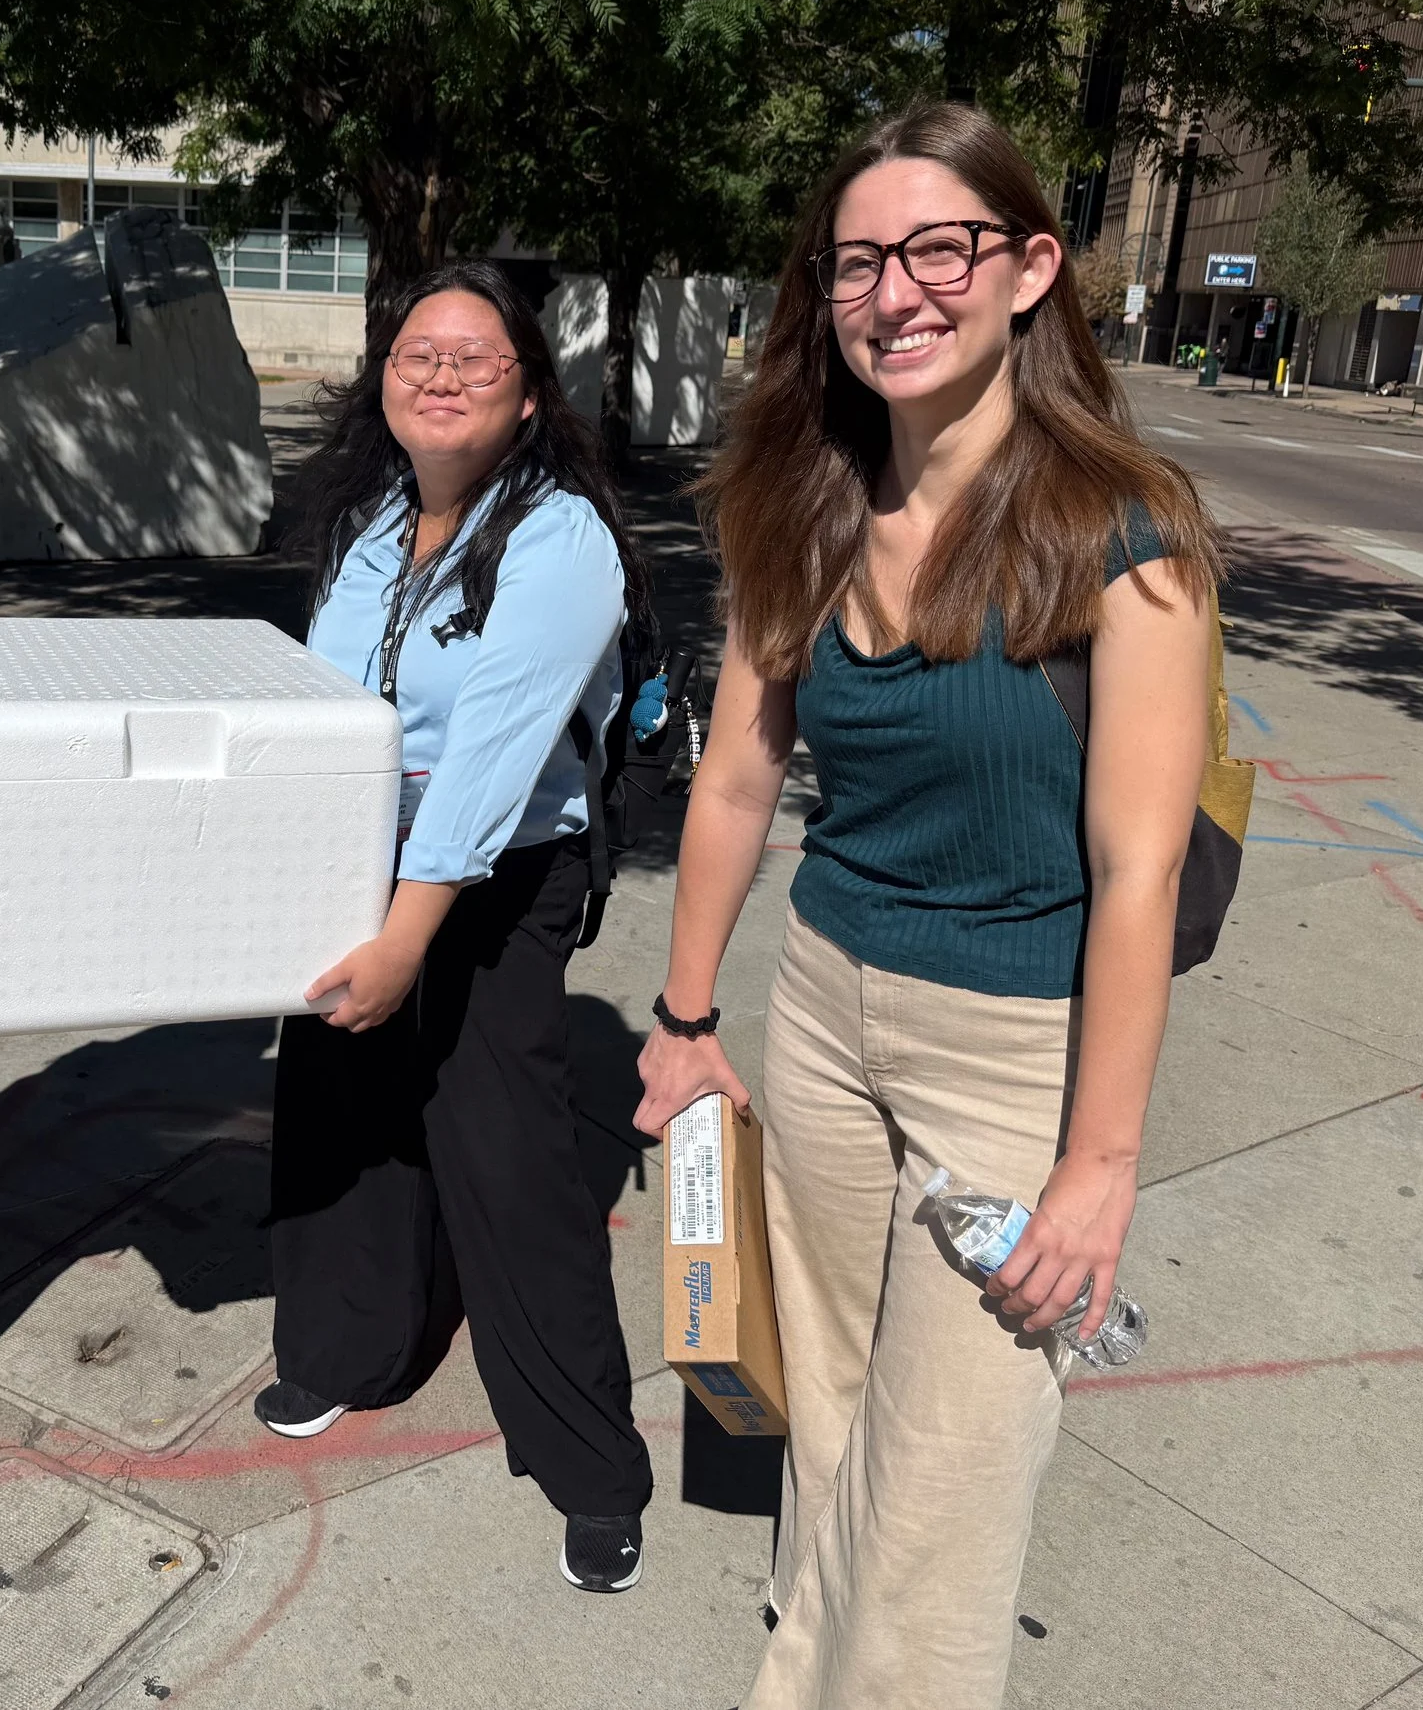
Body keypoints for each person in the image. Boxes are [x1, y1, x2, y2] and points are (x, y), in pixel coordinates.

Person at [633, 102, 1219, 1708]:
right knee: (823, 1411)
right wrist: (685, 1022)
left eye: (941, 249)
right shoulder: (800, 501)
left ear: (1031, 269)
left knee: (946, 1485)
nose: (898, 292)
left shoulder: (1123, 531)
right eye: (860, 261)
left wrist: (1098, 1173)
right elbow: (740, 786)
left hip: (1012, 1052)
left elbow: (1141, 872)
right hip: (823, 1010)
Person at [256, 261, 659, 1592]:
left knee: (509, 1155)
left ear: (531, 394)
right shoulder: (375, 520)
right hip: (349, 860)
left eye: (474, 357)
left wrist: (406, 935)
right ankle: (343, 1346)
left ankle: (587, 1460)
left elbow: (489, 762)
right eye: (416, 351)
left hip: (492, 884)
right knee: (340, 1108)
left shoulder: (562, 543)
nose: (438, 372)